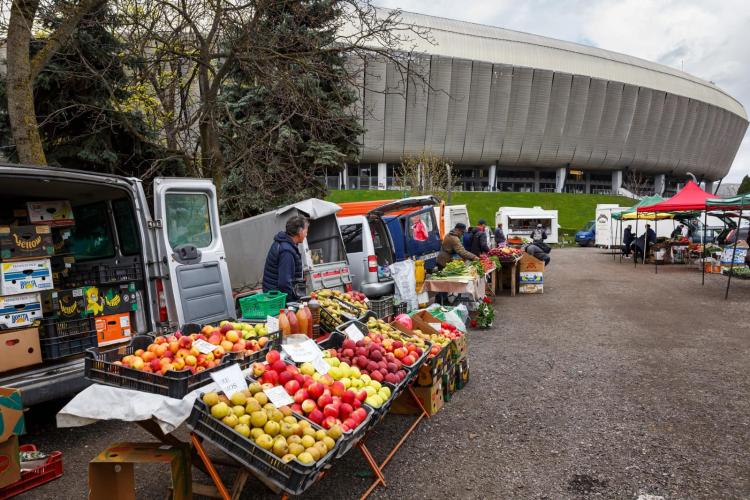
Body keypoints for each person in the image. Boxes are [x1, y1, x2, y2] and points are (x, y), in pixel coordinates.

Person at [262, 215, 308, 301]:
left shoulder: (284, 244)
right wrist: (293, 303)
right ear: (300, 231)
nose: (306, 234)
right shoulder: (286, 251)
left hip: (274, 297)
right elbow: (284, 283)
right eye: (306, 231)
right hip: (279, 301)